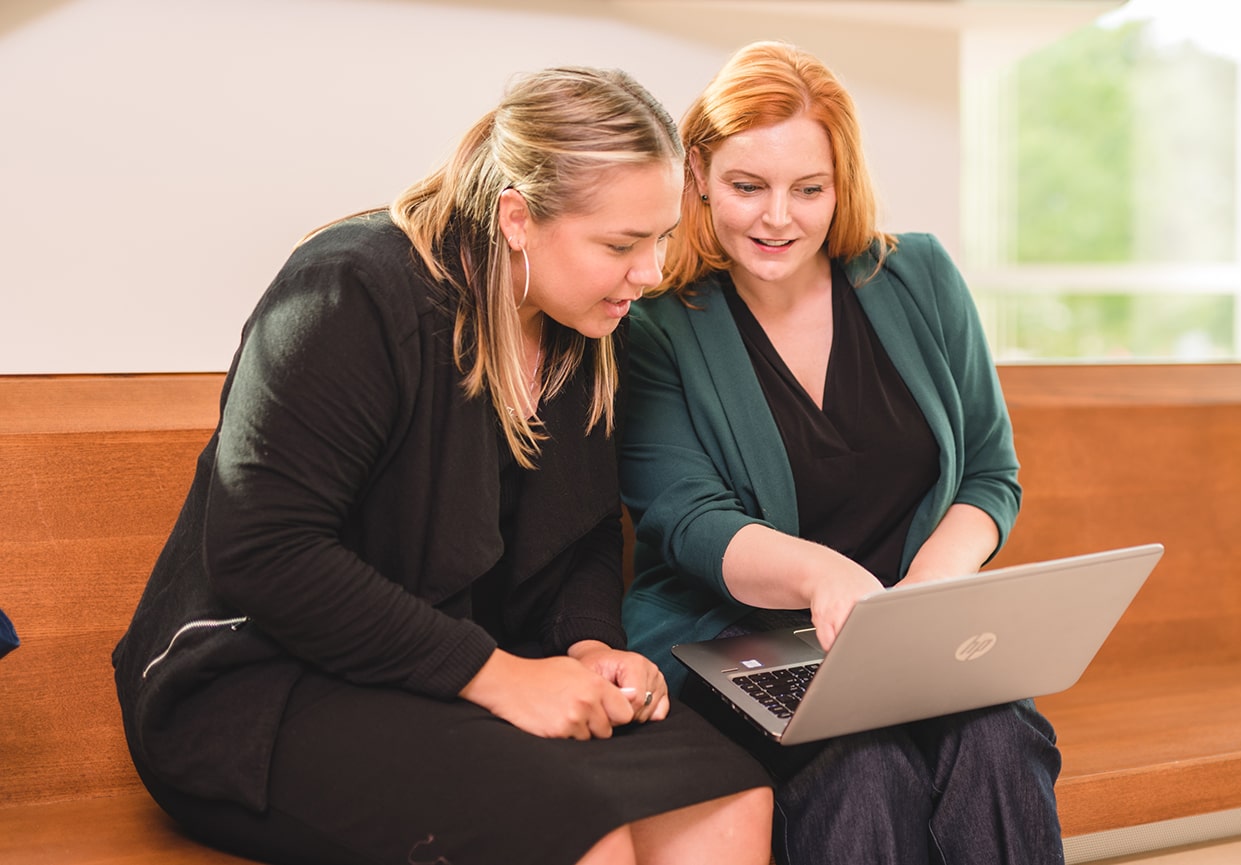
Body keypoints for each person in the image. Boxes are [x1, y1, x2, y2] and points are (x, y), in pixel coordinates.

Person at [112, 66, 772, 865]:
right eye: (622, 244)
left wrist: (591, 646)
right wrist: (498, 676)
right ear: (518, 218)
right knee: (574, 828)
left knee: (730, 794)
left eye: (662, 236)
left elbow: (589, 530)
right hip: (263, 686)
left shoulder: (588, 327)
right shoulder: (350, 290)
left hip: (452, 669)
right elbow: (267, 554)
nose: (652, 272)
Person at [619, 42, 1065, 864]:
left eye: (808, 189)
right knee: (865, 766)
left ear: (841, 184)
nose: (777, 217)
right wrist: (826, 579)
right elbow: (690, 522)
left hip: (911, 640)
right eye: (748, 187)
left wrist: (919, 604)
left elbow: (989, 473)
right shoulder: (657, 327)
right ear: (701, 179)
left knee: (1001, 740)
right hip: (739, 639)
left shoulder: (919, 276)